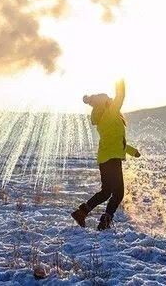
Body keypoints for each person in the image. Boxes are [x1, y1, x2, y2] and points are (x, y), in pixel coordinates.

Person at [71, 79, 140, 230]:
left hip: (104, 158)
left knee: (106, 192)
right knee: (118, 193)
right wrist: (120, 79)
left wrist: (132, 151)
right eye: (108, 99)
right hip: (112, 159)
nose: (111, 100)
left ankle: (81, 212)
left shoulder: (101, 118)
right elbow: (120, 95)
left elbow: (115, 142)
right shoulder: (110, 112)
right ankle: (105, 221)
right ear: (105, 102)